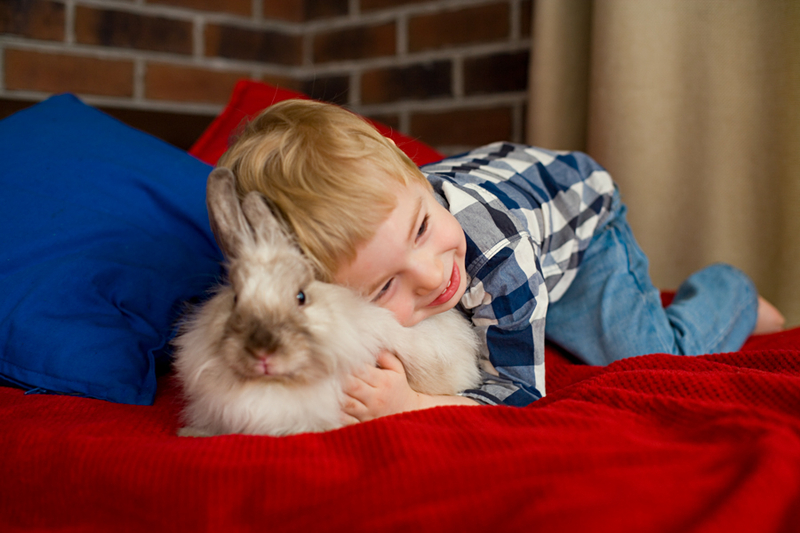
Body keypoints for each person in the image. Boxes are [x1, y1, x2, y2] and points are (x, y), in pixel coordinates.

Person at [218, 99, 785, 424]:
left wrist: (413, 402)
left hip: (581, 221)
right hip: (509, 184)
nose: (433, 277)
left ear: (404, 162)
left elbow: (520, 391)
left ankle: (729, 293)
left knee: (650, 354)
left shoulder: (500, 255)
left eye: (421, 227)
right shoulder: (395, 217)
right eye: (384, 286)